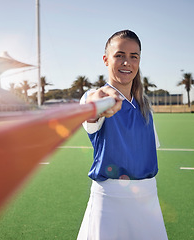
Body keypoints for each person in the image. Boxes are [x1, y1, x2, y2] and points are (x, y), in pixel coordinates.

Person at [77, 30, 168, 240]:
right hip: (109, 201)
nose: (127, 62)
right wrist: (102, 99)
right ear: (106, 59)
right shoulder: (97, 98)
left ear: (139, 61)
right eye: (119, 55)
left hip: (147, 200)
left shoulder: (144, 105)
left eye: (133, 56)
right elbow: (93, 100)